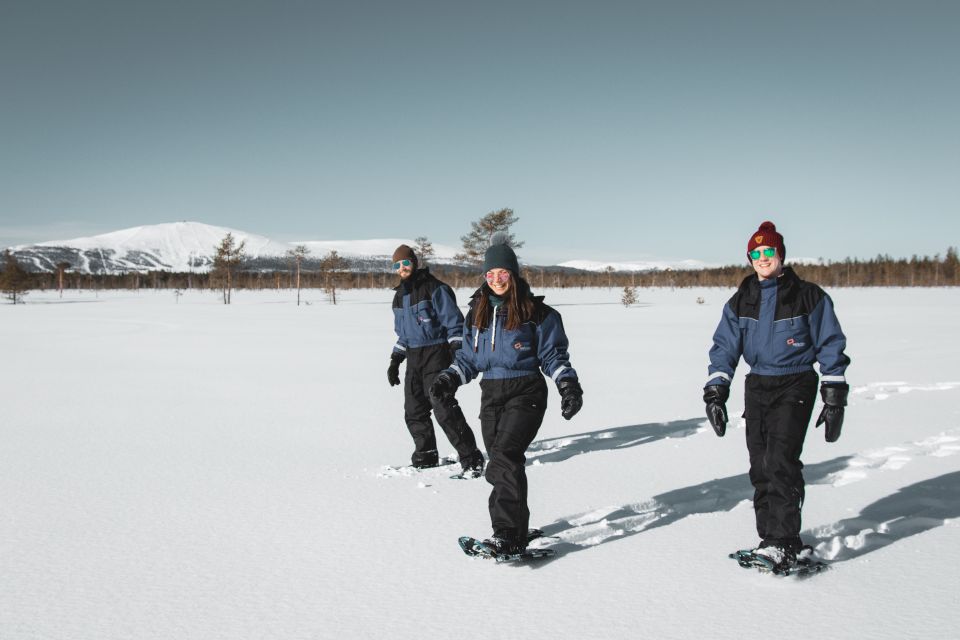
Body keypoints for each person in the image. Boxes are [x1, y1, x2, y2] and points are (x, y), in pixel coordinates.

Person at [704, 221, 850, 568]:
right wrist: (716, 389)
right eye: (756, 253)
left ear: (780, 254)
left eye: (768, 251)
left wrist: (834, 394)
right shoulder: (742, 299)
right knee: (760, 465)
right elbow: (725, 346)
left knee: (781, 461)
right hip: (757, 385)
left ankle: (785, 540)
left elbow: (830, 342)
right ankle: (769, 538)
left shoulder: (808, 295)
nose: (762, 257)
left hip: (795, 381)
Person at [430, 235, 584, 556]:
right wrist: (449, 378)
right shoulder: (477, 314)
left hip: (526, 391)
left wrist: (567, 386)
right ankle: (516, 525)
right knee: (503, 463)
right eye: (491, 274)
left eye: (503, 273)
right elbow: (470, 360)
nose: (497, 280)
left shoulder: (537, 313)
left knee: (504, 457)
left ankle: (507, 534)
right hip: (491, 394)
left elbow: (553, 357)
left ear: (513, 275)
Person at [387, 244, 485, 475]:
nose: (402, 268)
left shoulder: (436, 289)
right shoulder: (399, 297)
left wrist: (457, 352)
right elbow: (403, 334)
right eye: (397, 265)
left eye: (406, 263)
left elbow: (454, 325)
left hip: (436, 353)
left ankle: (471, 458)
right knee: (414, 410)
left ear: (415, 263)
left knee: (442, 407)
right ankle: (426, 456)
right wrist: (395, 359)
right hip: (413, 358)